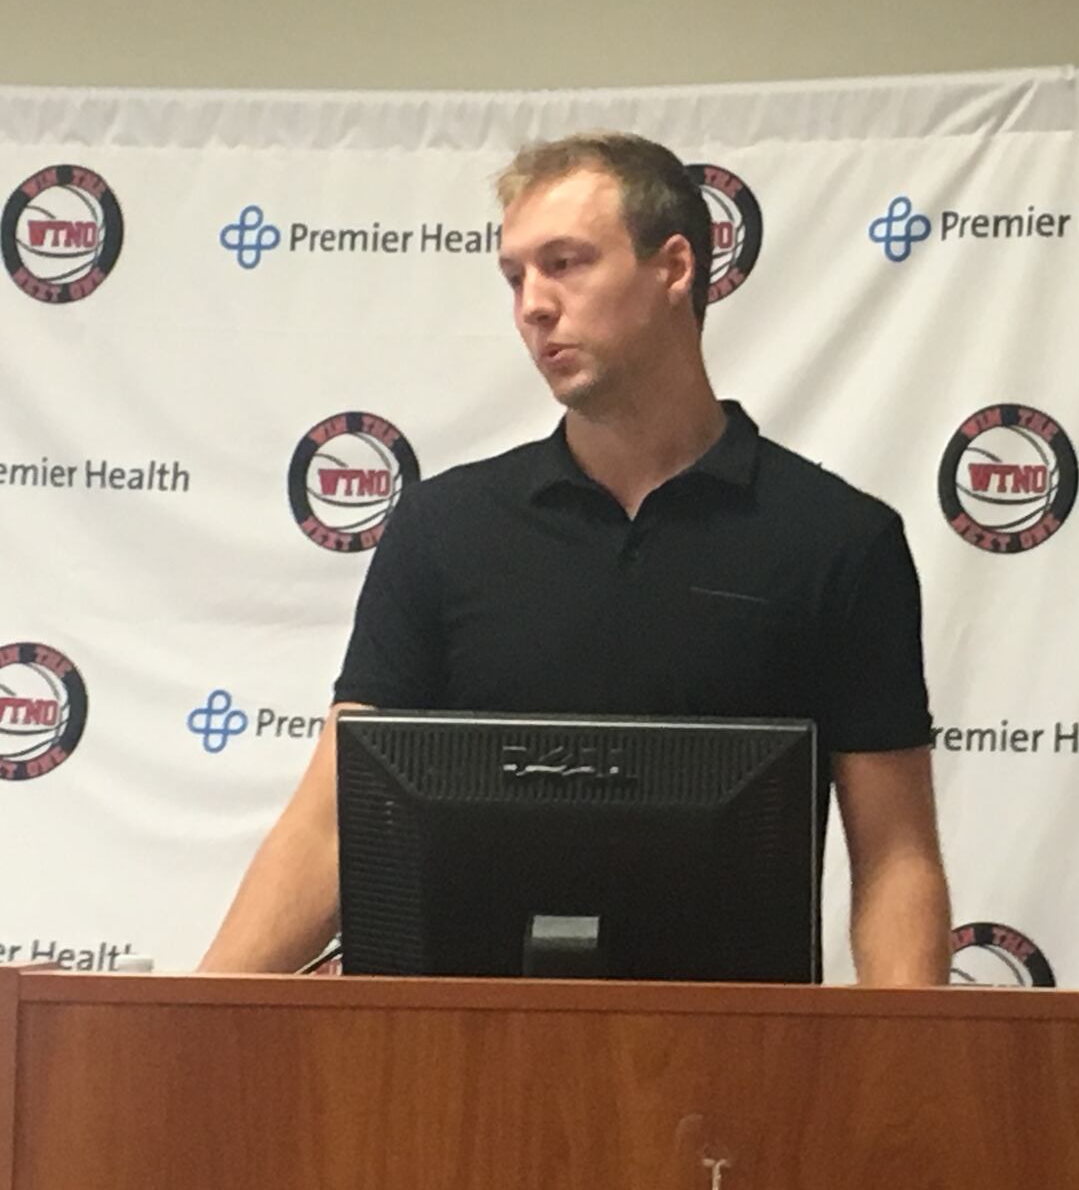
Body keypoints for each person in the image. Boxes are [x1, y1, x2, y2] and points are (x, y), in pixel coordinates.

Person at [199, 132, 951, 985]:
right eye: (515, 276)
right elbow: (332, 827)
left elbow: (895, 858)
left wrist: (901, 1082)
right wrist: (184, 1028)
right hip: (451, 1068)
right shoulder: (445, 529)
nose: (532, 305)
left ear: (674, 269)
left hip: (734, 1081)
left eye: (566, 263)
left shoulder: (838, 541)